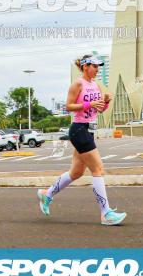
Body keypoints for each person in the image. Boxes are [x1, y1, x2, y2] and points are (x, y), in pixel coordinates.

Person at [37, 54, 127, 225]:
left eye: (98, 66)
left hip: (89, 130)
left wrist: (105, 102)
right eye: (94, 66)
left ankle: (46, 195)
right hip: (79, 130)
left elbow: (99, 109)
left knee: (76, 172)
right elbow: (69, 106)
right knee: (98, 169)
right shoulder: (78, 84)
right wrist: (89, 105)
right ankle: (106, 213)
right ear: (85, 66)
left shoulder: (95, 85)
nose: (97, 69)